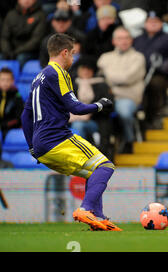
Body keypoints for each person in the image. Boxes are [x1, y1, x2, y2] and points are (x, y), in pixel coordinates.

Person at [20, 33, 120, 231]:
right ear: (64, 52)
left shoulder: (37, 77)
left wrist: (32, 147)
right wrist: (100, 105)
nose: (73, 59)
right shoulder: (58, 73)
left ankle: (97, 218)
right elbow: (76, 108)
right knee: (106, 167)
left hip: (41, 146)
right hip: (57, 138)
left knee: (93, 172)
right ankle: (86, 209)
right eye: (72, 54)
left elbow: (25, 116)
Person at [97, 27, 146, 154]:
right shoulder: (105, 57)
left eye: (126, 38)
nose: (123, 41)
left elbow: (126, 78)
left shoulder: (138, 57)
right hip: (107, 97)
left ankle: (129, 140)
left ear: (131, 40)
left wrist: (108, 75)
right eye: (120, 38)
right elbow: (99, 79)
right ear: (114, 41)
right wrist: (112, 80)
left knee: (123, 111)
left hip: (128, 96)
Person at [134, 10, 168, 130]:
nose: (153, 24)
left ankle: (154, 116)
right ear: (145, 24)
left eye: (156, 21)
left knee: (154, 84)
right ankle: (139, 122)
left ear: (161, 24)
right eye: (150, 21)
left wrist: (162, 67)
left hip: (160, 75)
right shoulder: (137, 39)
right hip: (137, 75)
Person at [71, 57, 115, 159]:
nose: (85, 72)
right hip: (73, 118)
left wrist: (91, 111)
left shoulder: (102, 85)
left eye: (88, 69)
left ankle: (84, 156)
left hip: (97, 121)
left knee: (78, 126)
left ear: (93, 71)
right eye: (83, 69)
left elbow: (109, 106)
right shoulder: (72, 85)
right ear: (78, 70)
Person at [0, 0, 47, 68]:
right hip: (11, 51)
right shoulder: (11, 14)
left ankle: (15, 78)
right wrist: (7, 51)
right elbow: (4, 37)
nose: (26, 0)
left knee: (21, 58)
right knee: (1, 57)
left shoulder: (41, 15)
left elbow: (36, 40)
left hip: (31, 52)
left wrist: (17, 52)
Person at [0, 68, 24, 141]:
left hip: (10, 130)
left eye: (8, 80)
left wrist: (3, 125)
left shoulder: (17, 97)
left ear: (12, 81)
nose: (5, 83)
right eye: (2, 80)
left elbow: (18, 119)